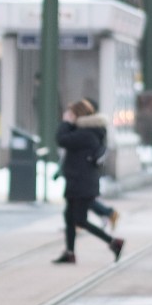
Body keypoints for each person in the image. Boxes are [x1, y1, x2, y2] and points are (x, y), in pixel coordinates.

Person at [53, 101, 124, 265]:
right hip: (78, 181)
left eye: (70, 114)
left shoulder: (86, 134)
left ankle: (114, 242)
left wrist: (66, 123)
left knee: (79, 219)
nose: (66, 117)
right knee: (69, 217)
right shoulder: (86, 131)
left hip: (81, 183)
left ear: (78, 116)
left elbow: (61, 139)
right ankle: (70, 253)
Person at [70, 98, 120, 230]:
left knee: (84, 200)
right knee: (84, 200)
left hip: (84, 172)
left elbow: (64, 140)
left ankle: (107, 214)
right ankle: (81, 221)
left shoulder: (85, 131)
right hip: (86, 171)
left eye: (72, 114)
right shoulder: (93, 129)